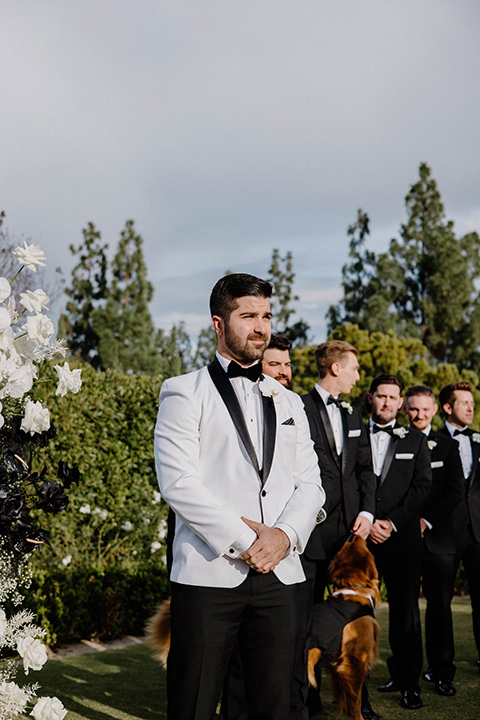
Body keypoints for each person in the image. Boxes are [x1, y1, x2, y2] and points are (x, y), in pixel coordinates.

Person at [154, 273, 325, 720]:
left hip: (281, 580)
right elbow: (178, 483)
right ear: (218, 323)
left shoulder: (290, 403)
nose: (261, 326)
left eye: (266, 315)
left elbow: (311, 484)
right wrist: (249, 542)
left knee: (274, 706)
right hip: (209, 577)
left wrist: (284, 537)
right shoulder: (182, 391)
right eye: (248, 315)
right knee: (192, 704)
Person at [301, 340, 376, 719]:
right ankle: (308, 704)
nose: (358, 376)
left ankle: (357, 701)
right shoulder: (299, 407)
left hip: (350, 536)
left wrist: (366, 511)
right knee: (310, 618)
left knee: (357, 620)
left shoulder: (353, 414)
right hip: (312, 534)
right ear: (335, 369)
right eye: (354, 368)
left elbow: (364, 470)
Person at [366, 374, 431, 711]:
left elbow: (422, 488)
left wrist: (390, 523)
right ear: (370, 398)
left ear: (400, 402)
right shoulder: (355, 435)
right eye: (381, 396)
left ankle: (409, 684)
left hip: (402, 540)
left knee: (406, 616)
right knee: (358, 614)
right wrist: (365, 522)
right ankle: (355, 684)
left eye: (393, 397)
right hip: (360, 540)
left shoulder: (416, 441)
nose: (387, 402)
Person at [404, 385, 463, 697]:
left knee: (440, 608)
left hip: (439, 539)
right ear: (405, 409)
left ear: (435, 410)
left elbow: (455, 491)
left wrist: (426, 521)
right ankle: (403, 675)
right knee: (405, 610)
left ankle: (442, 673)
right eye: (414, 409)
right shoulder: (396, 439)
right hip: (404, 539)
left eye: (425, 409)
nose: (419, 415)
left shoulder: (446, 445)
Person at [438, 380, 480, 674]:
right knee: (440, 605)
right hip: (442, 534)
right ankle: (441, 667)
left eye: (472, 403)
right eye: (464, 402)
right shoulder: (431, 440)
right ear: (447, 407)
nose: (470, 407)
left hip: (478, 533)